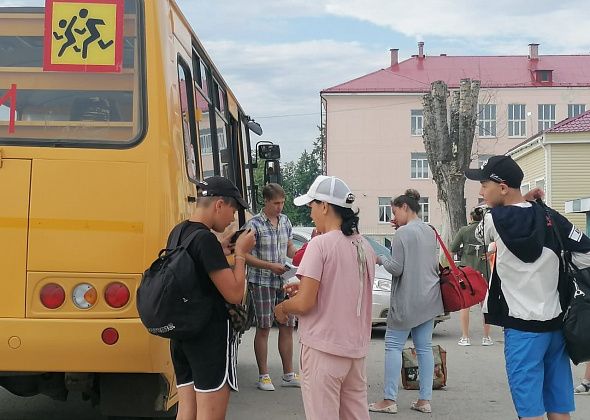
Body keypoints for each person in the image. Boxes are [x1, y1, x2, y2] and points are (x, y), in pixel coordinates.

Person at [465, 155, 590, 420]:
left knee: (529, 410)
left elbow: (479, 232)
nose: (480, 191)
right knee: (559, 407)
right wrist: (534, 206)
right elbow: (586, 252)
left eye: (484, 184)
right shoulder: (550, 217)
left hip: (522, 330)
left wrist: (525, 202)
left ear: (502, 187)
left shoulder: (491, 221)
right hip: (556, 326)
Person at [273, 175, 376, 420]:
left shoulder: (319, 245)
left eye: (311, 207)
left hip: (323, 349)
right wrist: (305, 286)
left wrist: (283, 308)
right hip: (355, 352)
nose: (311, 215)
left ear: (325, 206)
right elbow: (346, 288)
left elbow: (305, 303)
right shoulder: (365, 246)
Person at [168, 176, 256, 420]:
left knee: (186, 412)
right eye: (233, 210)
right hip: (208, 337)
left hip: (182, 335)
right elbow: (235, 294)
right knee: (210, 415)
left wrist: (221, 247)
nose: (232, 218)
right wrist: (241, 254)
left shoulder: (179, 232)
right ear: (219, 204)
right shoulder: (205, 240)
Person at [370, 189, 444, 415]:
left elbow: (397, 268)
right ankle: (424, 400)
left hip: (407, 300)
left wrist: (380, 258)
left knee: (393, 346)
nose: (393, 218)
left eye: (394, 212)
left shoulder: (402, 234)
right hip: (430, 298)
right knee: (424, 349)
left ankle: (389, 399)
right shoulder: (430, 230)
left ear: (404, 208)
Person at [243, 183, 299, 391]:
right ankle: (264, 375)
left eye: (282, 203)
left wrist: (301, 256)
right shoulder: (254, 224)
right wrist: (269, 266)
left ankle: (288, 374)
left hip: (283, 280)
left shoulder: (285, 221)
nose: (280, 207)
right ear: (265, 201)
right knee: (264, 327)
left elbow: (290, 247)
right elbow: (244, 255)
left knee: (287, 326)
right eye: (276, 203)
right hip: (262, 282)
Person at [450, 207, 493, 346]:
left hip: (467, 271)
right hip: (483, 270)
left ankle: (465, 337)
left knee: (465, 304)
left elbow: (453, 247)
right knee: (485, 305)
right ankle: (486, 337)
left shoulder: (464, 230)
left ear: (471, 217)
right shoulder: (487, 230)